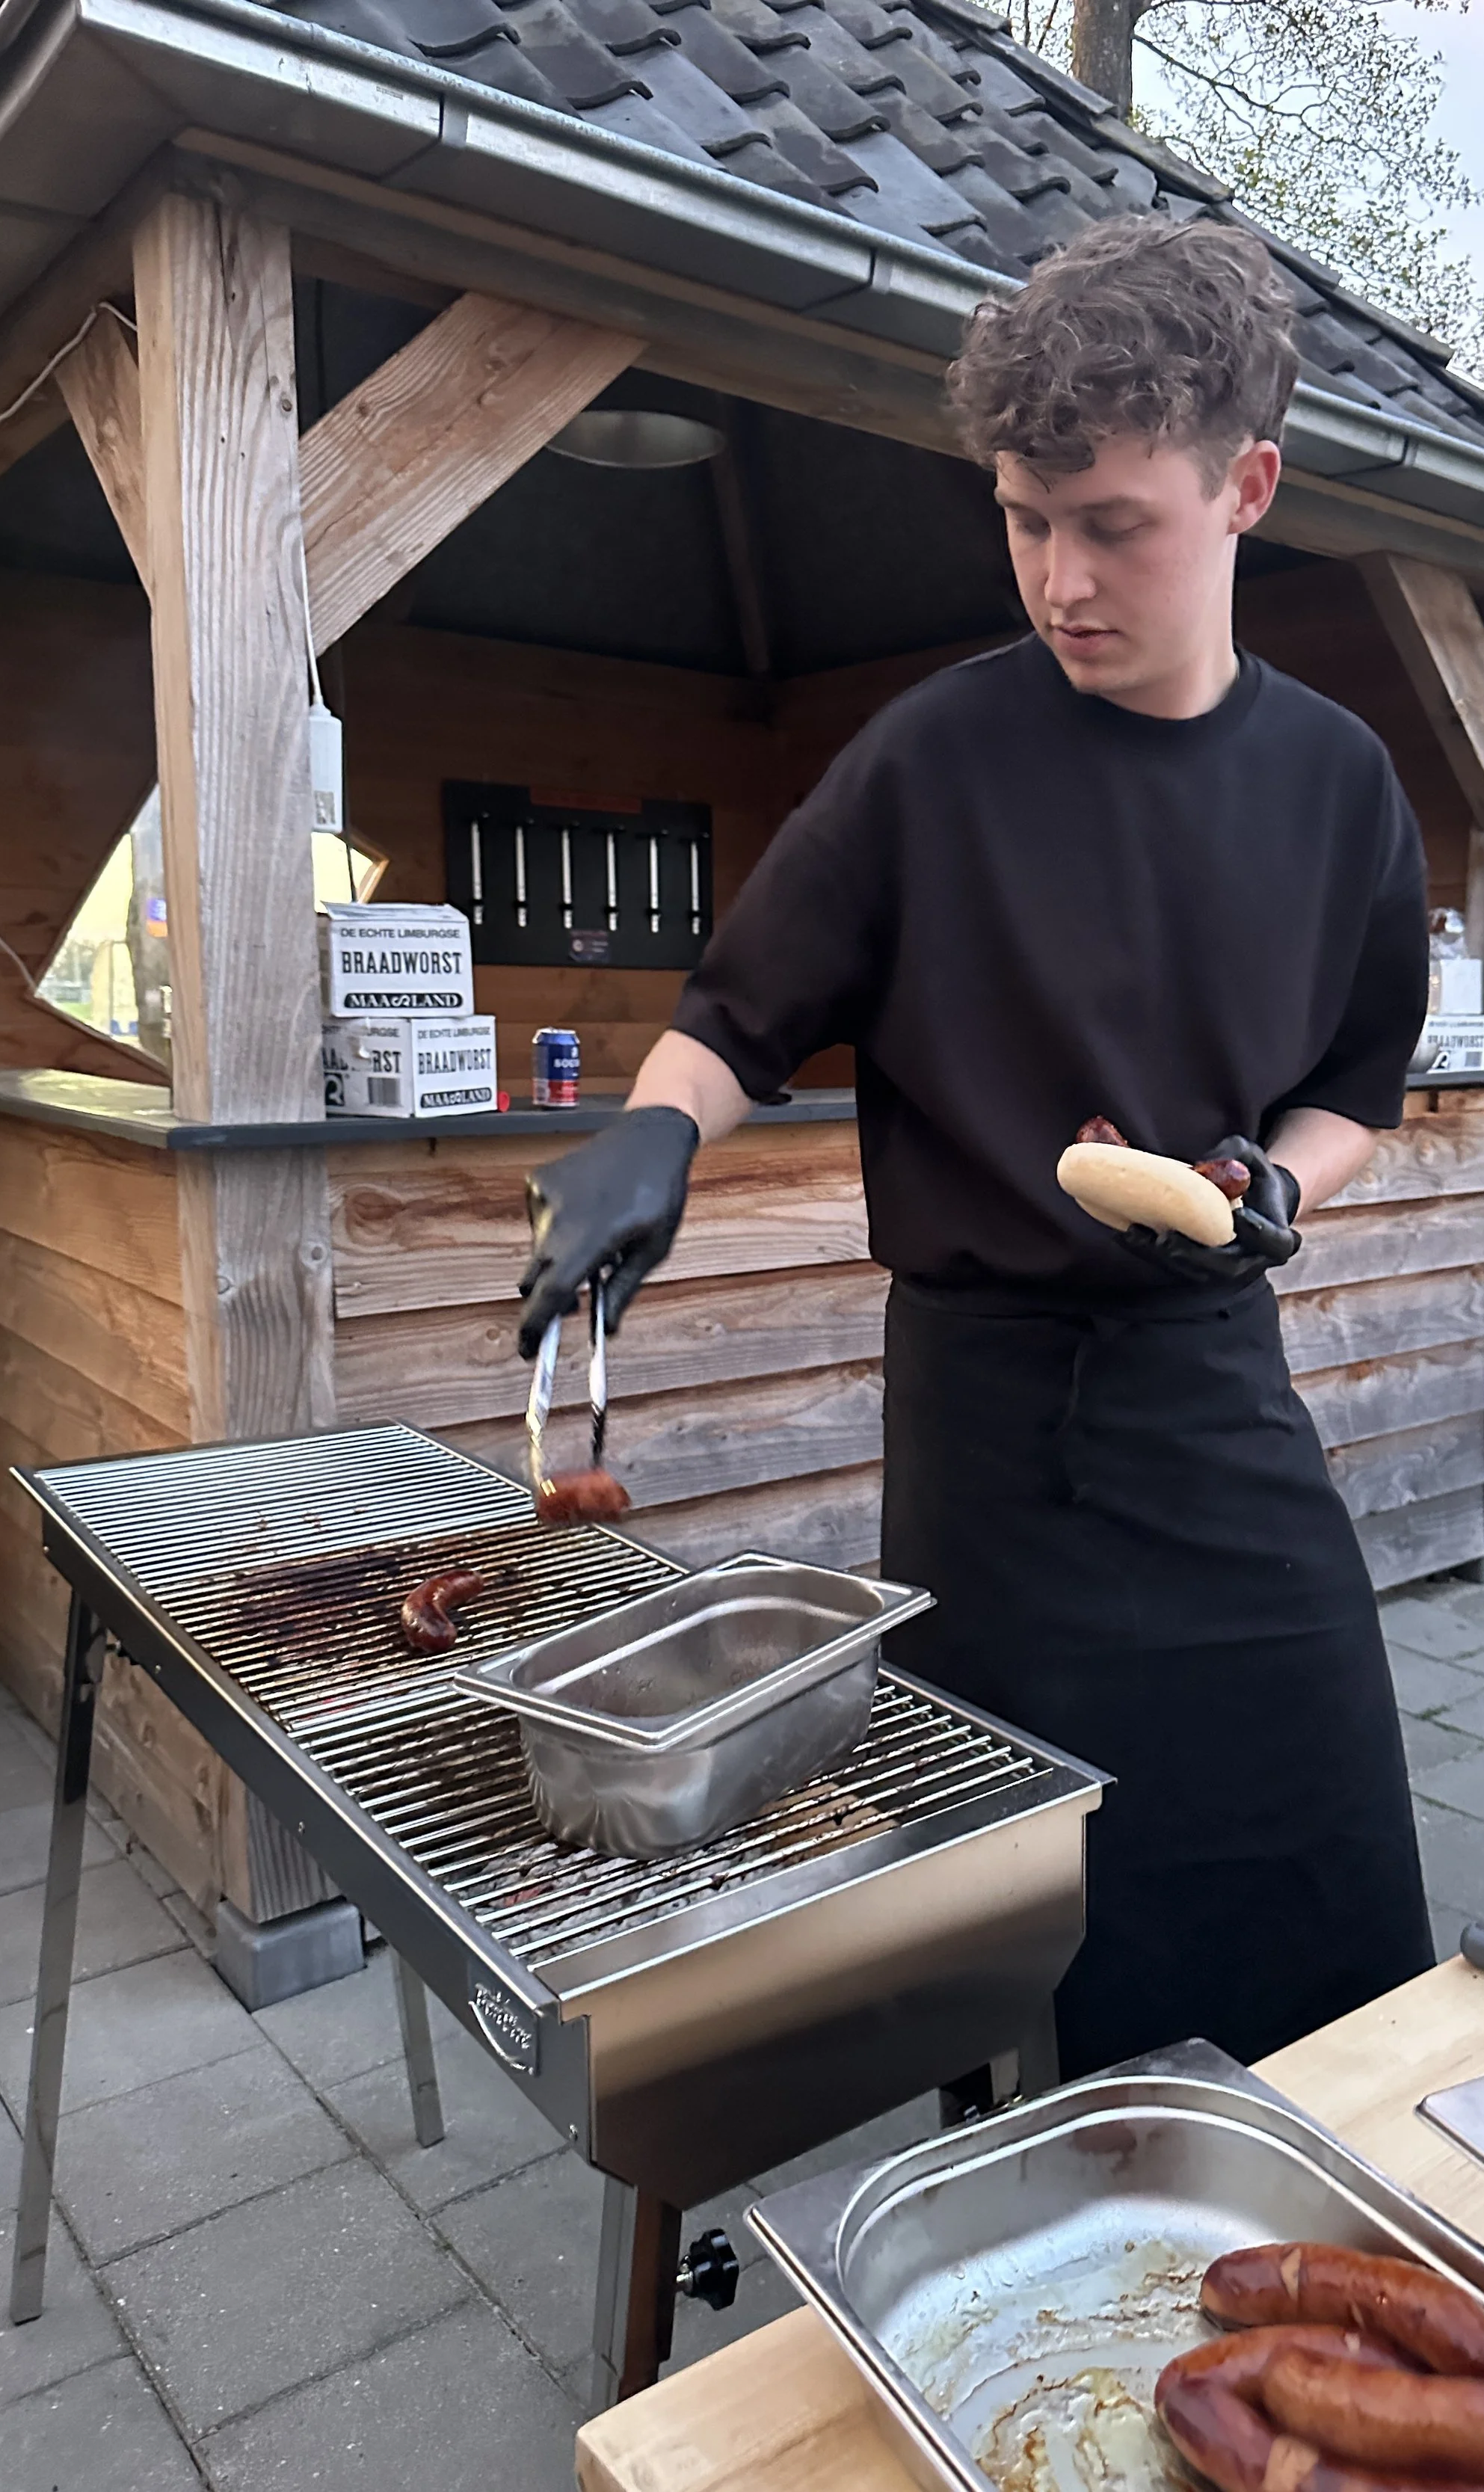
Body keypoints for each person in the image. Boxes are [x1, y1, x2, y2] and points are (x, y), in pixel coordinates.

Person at [517, 215, 1435, 2078]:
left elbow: (1352, 1085)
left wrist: (1273, 1192)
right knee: (1019, 1895)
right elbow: (733, 1016)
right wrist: (645, 1143)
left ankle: (1302, 2175)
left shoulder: (1338, 784)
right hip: (989, 1434)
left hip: (1211, 1409)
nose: (1056, 577)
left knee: (1318, 1849)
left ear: (1244, 486)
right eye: (1023, 518)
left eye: (1111, 524)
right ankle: (1036, 2171)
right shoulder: (931, 759)